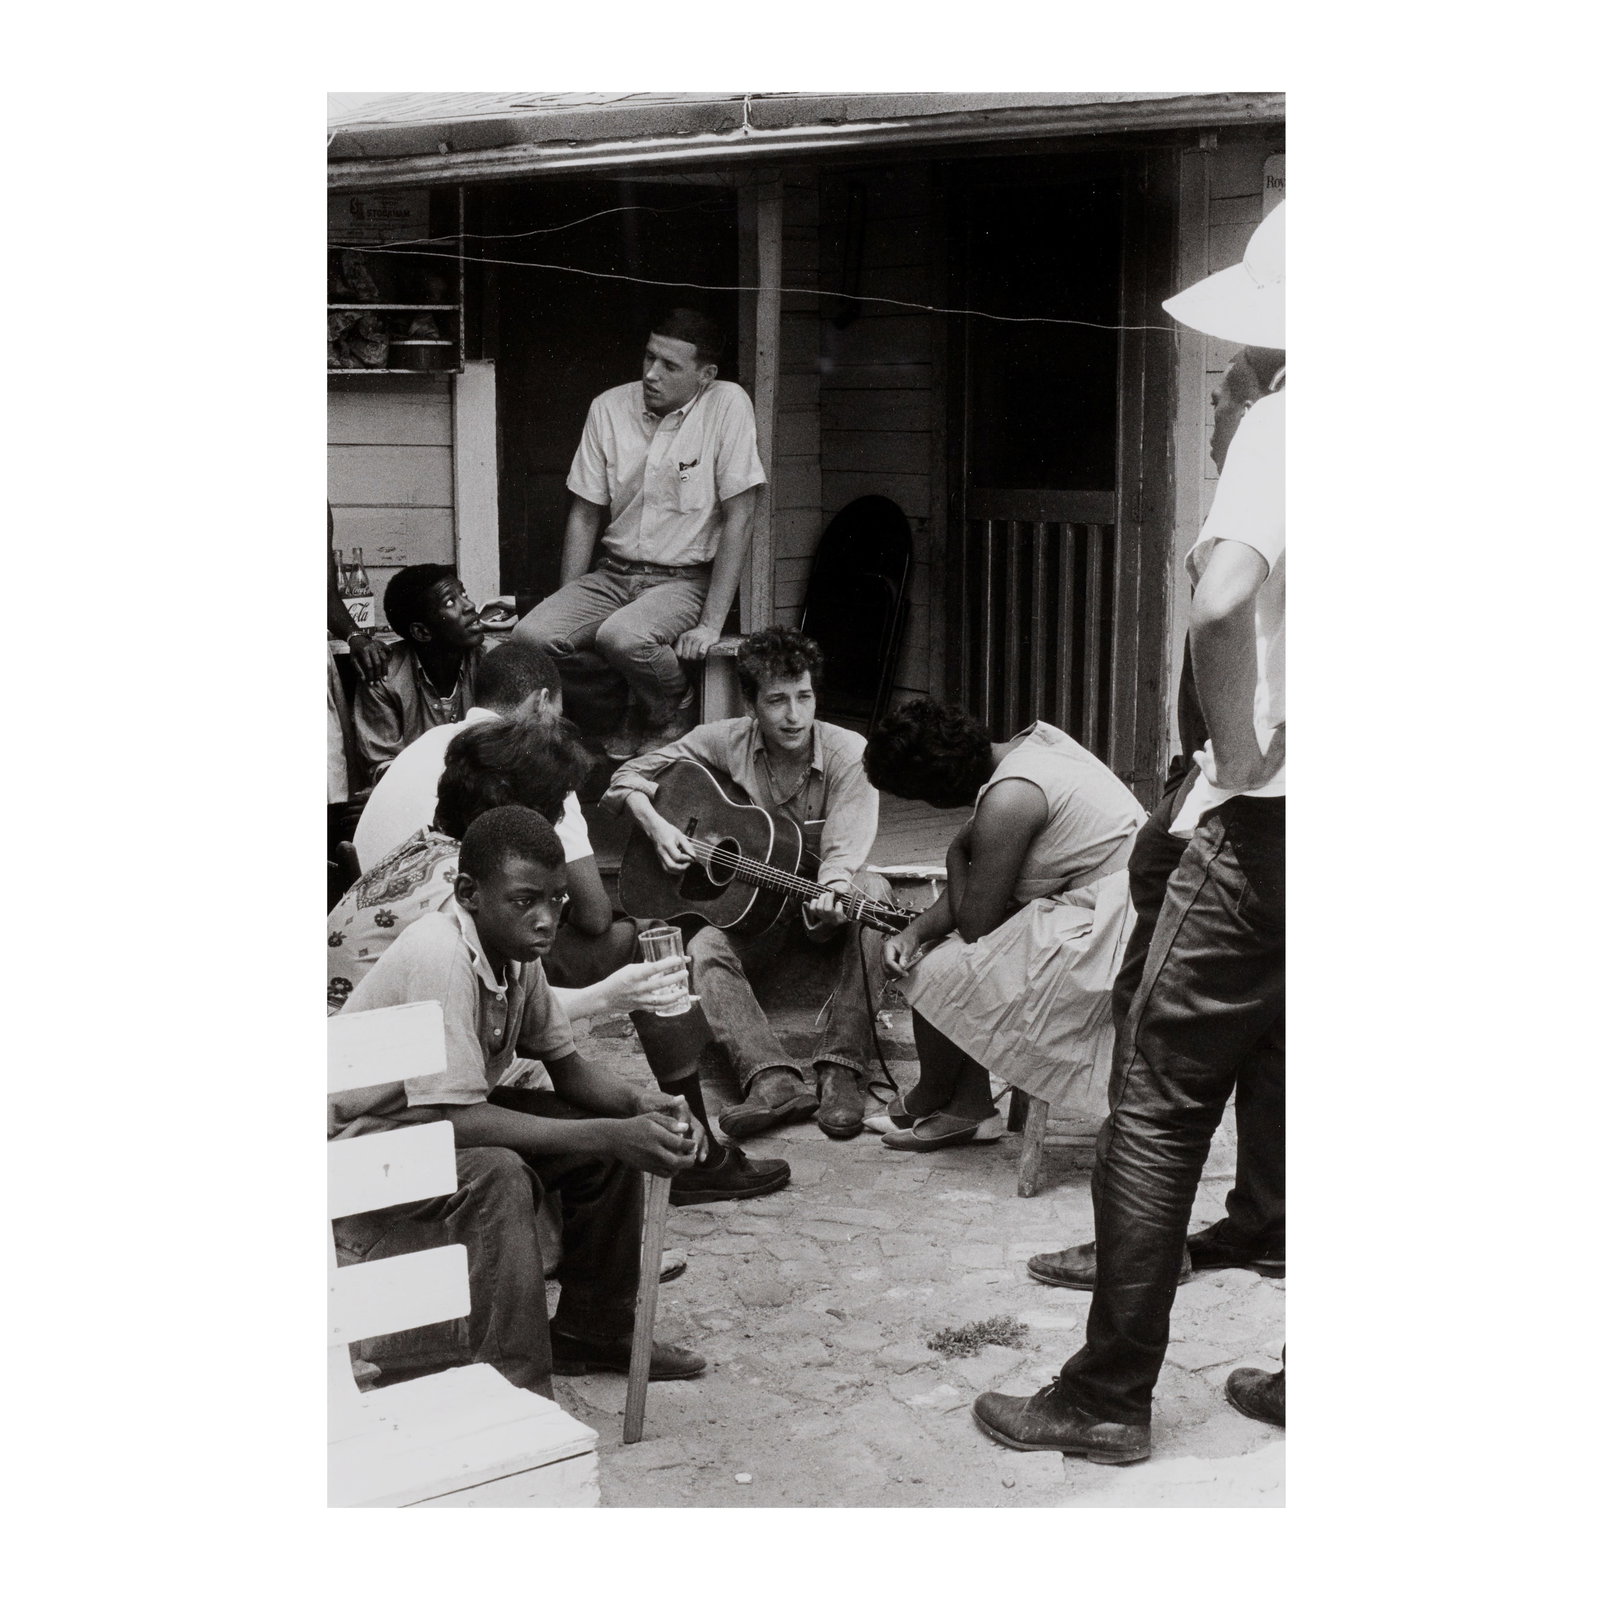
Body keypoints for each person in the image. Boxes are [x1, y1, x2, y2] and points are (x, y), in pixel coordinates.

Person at [973, 202, 1286, 1463]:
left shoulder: (1289, 420)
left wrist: (1244, 751)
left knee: (1154, 1102)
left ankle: (1106, 1393)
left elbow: (1219, 603)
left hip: (1276, 822)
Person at [1025, 341, 1288, 1294]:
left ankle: (1112, 1356)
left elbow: (1220, 614)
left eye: (1224, 399)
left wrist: (1244, 761)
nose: (1216, 421)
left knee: (1154, 1072)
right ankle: (1266, 1218)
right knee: (1279, 1038)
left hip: (1249, 808)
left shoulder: (1276, 438)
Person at [330, 707, 788, 1206]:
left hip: (408, 1077)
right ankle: (692, 1161)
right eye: (553, 812)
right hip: (372, 1113)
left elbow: (546, 1040)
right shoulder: (459, 907)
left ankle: (683, 1144)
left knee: (595, 1123)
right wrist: (607, 999)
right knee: (578, 1139)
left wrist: (634, 1103)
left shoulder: (437, 855)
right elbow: (458, 1089)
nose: (557, 827)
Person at [330, 805, 707, 1397]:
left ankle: (595, 1328)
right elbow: (452, 1119)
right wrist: (610, 1134)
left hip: (421, 1127)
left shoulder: (514, 953)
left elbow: (571, 1071)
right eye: (525, 900)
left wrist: (641, 1106)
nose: (546, 919)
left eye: (557, 900)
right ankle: (518, 1388)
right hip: (358, 1153)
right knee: (500, 1171)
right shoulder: (441, 952)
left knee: (601, 1137)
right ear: (469, 893)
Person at [603, 627, 889, 1144]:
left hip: (822, 908)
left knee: (877, 895)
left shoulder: (850, 753)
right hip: (754, 917)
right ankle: (772, 1079)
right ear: (751, 703)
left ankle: (843, 1067)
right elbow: (628, 776)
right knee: (704, 944)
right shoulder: (724, 739)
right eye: (777, 701)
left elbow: (846, 848)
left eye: (804, 697)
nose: (794, 716)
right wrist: (654, 822)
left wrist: (834, 893)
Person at [864, 701, 1145, 1152]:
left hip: (1118, 934)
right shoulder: (1030, 745)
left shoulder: (1008, 799)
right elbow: (981, 897)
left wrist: (957, 852)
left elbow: (976, 925)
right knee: (942, 952)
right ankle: (963, 1103)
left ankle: (947, 1099)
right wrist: (912, 932)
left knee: (941, 966)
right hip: (1112, 908)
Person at [511, 308, 767, 758]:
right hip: (612, 574)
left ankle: (672, 705)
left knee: (622, 636)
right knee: (530, 637)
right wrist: (566, 602)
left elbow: (740, 515)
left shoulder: (727, 404)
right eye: (649, 358)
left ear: (705, 375)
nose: (651, 374)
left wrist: (711, 623)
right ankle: (626, 706)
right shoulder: (609, 407)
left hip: (684, 579)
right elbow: (585, 513)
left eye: (670, 366)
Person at [353, 640, 567, 870]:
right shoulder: (530, 759)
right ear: (542, 702)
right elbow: (591, 902)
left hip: (369, 894)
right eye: (558, 714)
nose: (557, 730)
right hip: (431, 898)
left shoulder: (432, 739)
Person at [352, 562, 490, 782]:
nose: (470, 605)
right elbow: (387, 771)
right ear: (422, 632)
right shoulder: (383, 678)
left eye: (463, 593)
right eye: (450, 601)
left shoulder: (489, 662)